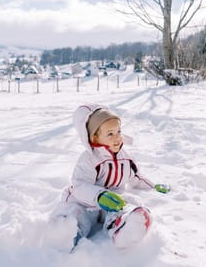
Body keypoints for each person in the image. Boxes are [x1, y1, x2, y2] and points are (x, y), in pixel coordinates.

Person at [51, 104, 166, 250]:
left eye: (119, 131)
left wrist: (153, 186)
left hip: (113, 200)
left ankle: (123, 228)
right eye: (110, 134)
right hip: (84, 201)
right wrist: (99, 196)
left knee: (125, 205)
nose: (117, 137)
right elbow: (79, 185)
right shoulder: (89, 159)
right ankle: (67, 234)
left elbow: (135, 177)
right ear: (95, 138)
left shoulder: (126, 158)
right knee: (76, 213)